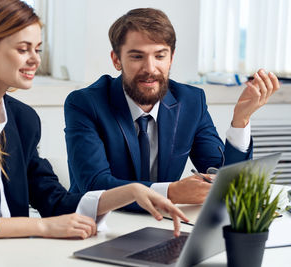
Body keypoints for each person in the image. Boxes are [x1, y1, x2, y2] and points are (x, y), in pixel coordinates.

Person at [0, 1, 188, 248]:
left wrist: (129, 191)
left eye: (37, 49)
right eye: (23, 49)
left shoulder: (22, 119)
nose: (34, 59)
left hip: (9, 254)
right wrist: (43, 227)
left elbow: (53, 200)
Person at [64, 8, 280, 211]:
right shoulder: (85, 104)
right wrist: (171, 192)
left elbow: (222, 178)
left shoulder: (191, 101)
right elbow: (94, 185)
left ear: (171, 58)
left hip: (167, 225)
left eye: (160, 56)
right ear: (116, 60)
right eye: (137, 56)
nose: (150, 68)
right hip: (101, 225)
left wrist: (240, 119)